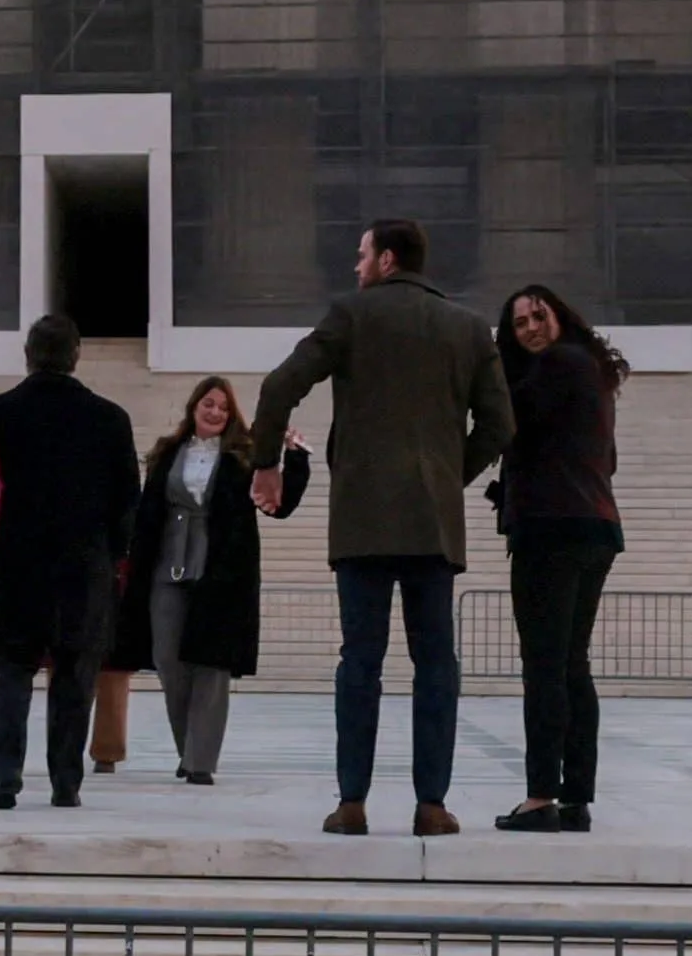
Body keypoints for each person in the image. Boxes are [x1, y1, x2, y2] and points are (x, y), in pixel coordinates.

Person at [249, 217, 516, 836]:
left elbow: (279, 385)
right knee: (436, 664)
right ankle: (431, 805)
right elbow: (500, 427)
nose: (355, 266)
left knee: (359, 662)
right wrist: (450, 474)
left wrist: (267, 465)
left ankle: (351, 802)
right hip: (432, 520)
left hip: (363, 519)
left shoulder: (352, 314)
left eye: (362, 255)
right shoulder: (470, 328)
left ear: (388, 260)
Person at [0, 316, 141, 810]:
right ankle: (65, 781)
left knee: (11, 670)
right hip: (82, 565)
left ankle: (6, 777)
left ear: (28, 354)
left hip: (13, 565)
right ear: (75, 356)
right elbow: (127, 500)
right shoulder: (109, 417)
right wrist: (111, 554)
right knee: (74, 674)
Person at [495, 282, 630, 834]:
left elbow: (506, 419)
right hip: (593, 526)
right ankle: (576, 798)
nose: (530, 328)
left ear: (559, 317)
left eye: (537, 315)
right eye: (519, 322)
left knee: (546, 667)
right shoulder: (588, 371)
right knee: (572, 665)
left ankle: (540, 797)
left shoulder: (558, 365)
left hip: (552, 530)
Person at [118, 375, 283, 786]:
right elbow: (145, 512)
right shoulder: (168, 452)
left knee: (211, 666)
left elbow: (277, 501)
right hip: (168, 565)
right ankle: (186, 750)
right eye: (209, 404)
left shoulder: (243, 458)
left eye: (223, 407)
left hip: (220, 571)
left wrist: (293, 461)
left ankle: (200, 761)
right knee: (169, 662)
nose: (215, 412)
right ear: (194, 407)